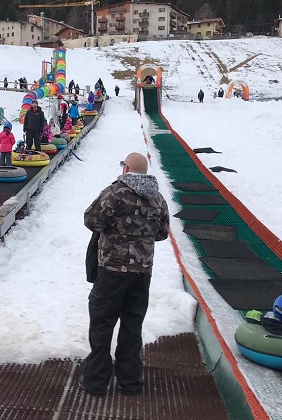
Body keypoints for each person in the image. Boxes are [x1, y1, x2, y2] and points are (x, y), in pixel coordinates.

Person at [80, 152, 170, 397]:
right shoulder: (158, 198)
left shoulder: (116, 192)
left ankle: (96, 382)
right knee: (132, 327)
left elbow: (91, 220)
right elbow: (162, 233)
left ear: (127, 168)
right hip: (142, 274)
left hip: (112, 271)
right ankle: (130, 383)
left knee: (102, 325)